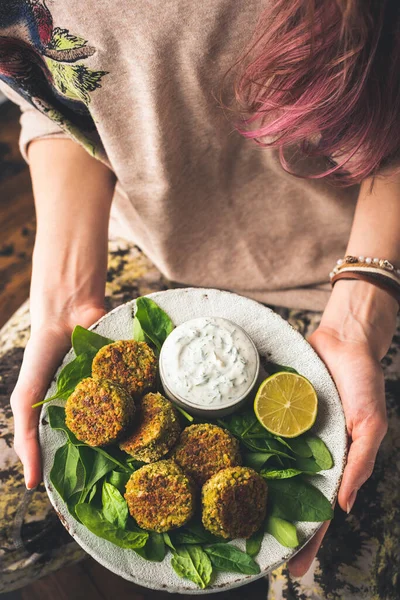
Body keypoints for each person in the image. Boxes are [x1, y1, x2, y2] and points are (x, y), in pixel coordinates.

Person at [1, 0, 399, 598]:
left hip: (355, 274)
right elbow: (56, 101)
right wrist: (65, 292)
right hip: (143, 258)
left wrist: (362, 315)